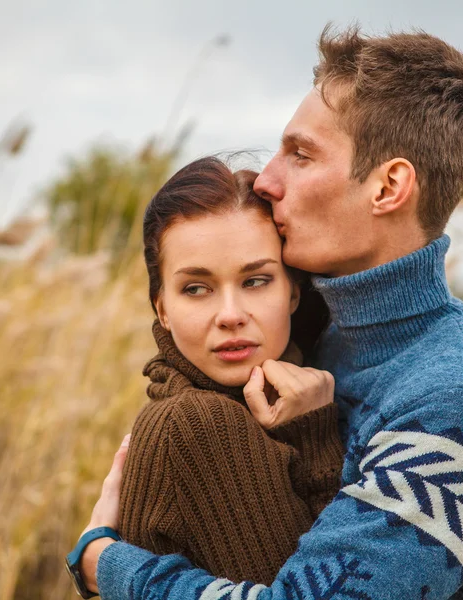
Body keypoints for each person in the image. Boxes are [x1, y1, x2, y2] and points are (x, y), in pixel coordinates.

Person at [71, 24, 463, 599]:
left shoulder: (459, 396)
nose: (267, 180)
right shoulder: (317, 340)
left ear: (388, 186)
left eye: (300, 154)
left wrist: (105, 563)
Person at [117, 156, 343, 585]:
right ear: (162, 309)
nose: (230, 315)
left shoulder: (268, 399)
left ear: (293, 292)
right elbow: (335, 589)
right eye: (196, 289)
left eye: (255, 281)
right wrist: (316, 441)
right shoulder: (197, 423)